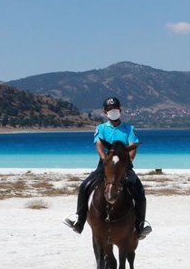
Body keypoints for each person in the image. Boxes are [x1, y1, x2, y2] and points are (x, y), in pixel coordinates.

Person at [64, 96, 151, 239]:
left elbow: (132, 147)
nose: (113, 112)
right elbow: (99, 144)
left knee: (139, 190)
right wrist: (105, 159)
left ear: (120, 111)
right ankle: (80, 221)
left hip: (124, 166)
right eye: (110, 110)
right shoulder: (101, 128)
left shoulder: (129, 128)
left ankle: (140, 225)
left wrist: (127, 160)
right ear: (105, 112)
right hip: (105, 166)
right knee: (84, 186)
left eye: (115, 109)